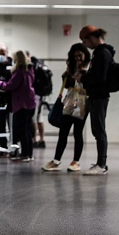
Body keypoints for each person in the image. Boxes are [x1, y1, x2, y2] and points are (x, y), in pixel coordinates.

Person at [42, 43, 91, 172]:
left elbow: (90, 85)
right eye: (75, 56)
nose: (78, 59)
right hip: (69, 100)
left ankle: (76, 161)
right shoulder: (70, 68)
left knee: (77, 132)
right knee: (63, 132)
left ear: (85, 54)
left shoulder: (89, 67)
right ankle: (56, 161)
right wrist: (68, 75)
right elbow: (67, 84)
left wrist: (83, 74)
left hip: (83, 101)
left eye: (80, 55)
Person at [76, 25, 115, 175]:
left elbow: (100, 77)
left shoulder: (102, 54)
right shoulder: (100, 53)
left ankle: (101, 164)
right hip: (97, 95)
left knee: (99, 130)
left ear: (92, 38)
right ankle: (100, 163)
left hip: (99, 96)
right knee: (97, 129)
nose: (85, 45)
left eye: (85, 41)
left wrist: (84, 77)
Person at [0, 50, 37, 162]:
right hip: (30, 102)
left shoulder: (19, 71)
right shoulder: (30, 69)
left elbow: (10, 86)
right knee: (27, 129)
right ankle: (29, 154)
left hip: (21, 104)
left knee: (22, 130)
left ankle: (25, 154)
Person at [26, 51, 47, 148]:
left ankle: (34, 140)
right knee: (39, 118)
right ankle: (41, 139)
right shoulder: (38, 65)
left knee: (33, 118)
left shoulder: (31, 67)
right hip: (40, 95)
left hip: (35, 95)